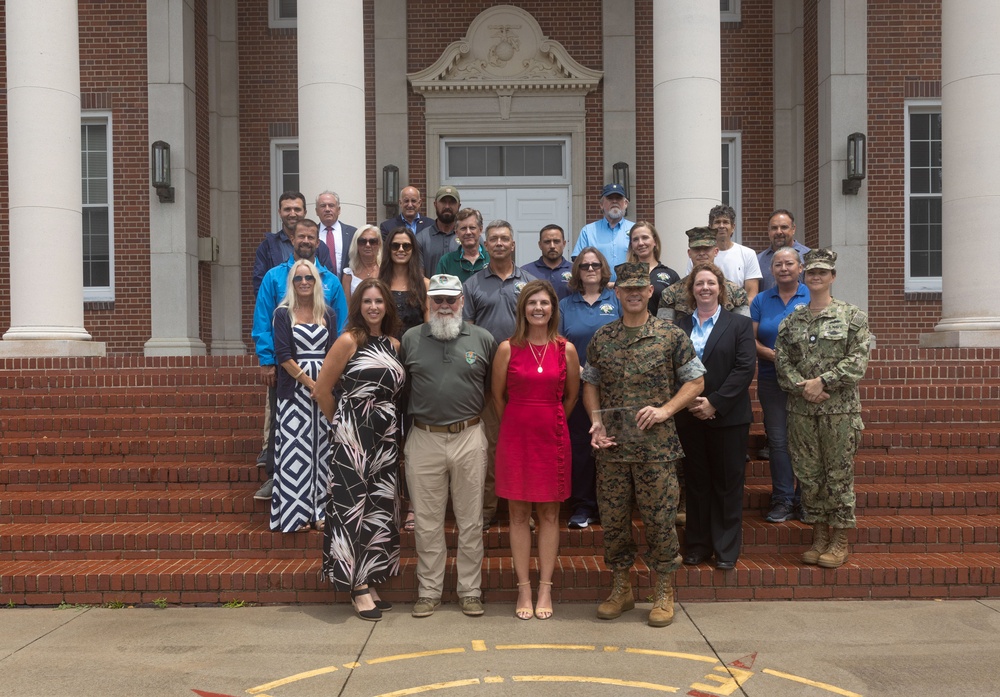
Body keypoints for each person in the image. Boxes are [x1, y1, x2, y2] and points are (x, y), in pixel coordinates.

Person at [582, 262, 705, 628]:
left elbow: (696, 381)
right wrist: (596, 420)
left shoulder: (670, 335)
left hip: (657, 450)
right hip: (613, 449)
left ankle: (664, 591)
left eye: (640, 288)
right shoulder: (602, 337)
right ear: (616, 293)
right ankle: (622, 588)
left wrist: (667, 409)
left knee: (660, 521)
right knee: (615, 522)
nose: (634, 294)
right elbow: (590, 382)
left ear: (650, 292)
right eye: (626, 289)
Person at [399, 274, 498, 618]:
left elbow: (490, 389)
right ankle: (429, 590)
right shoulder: (410, 339)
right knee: (427, 521)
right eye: (437, 300)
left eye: (449, 300)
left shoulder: (483, 339)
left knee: (471, 520)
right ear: (428, 303)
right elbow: (404, 388)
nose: (443, 306)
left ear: (462, 302)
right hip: (424, 437)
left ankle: (470, 590)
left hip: (469, 436)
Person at [314, 278, 405, 622]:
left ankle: (368, 578)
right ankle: (355, 588)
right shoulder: (349, 340)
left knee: (379, 508)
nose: (373, 307)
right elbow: (323, 391)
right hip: (353, 436)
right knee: (351, 507)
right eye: (366, 301)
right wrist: (342, 425)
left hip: (385, 436)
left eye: (378, 301)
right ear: (358, 306)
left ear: (387, 306)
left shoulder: (395, 344)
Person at [775, 249, 871, 569]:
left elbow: (857, 361)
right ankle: (818, 537)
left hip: (839, 412)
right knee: (810, 477)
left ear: (833, 277)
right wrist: (806, 387)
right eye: (811, 272)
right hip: (802, 411)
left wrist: (824, 382)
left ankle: (839, 540)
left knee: (839, 476)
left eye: (823, 272)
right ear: (804, 276)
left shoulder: (852, 316)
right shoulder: (792, 321)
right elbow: (783, 361)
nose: (816, 277)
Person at [493, 280, 580, 620]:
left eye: (544, 303)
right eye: (532, 303)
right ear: (523, 309)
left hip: (552, 436)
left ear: (553, 308)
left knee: (548, 514)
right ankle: (523, 588)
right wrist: (517, 421)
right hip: (515, 436)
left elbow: (572, 395)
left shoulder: (566, 349)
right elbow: (497, 397)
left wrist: (552, 418)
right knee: (517, 514)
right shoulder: (507, 348)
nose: (538, 308)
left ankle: (545, 587)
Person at [252, 219, 348, 501]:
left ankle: (323, 493)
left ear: (318, 243)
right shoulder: (273, 277)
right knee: (285, 429)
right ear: (292, 239)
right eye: (300, 236)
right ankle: (277, 479)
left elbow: (341, 325)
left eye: (311, 237)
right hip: (286, 369)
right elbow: (263, 320)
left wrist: (335, 370)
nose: (305, 241)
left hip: (326, 371)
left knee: (322, 433)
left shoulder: (330, 280)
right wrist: (267, 359)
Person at [675, 264, 756, 570]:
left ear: (720, 288)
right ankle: (697, 545)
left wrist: (715, 403)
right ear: (691, 289)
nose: (705, 288)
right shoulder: (680, 326)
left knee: (727, 484)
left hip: (728, 418)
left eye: (711, 283)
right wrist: (689, 403)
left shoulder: (738, 325)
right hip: (688, 417)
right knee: (696, 484)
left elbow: (745, 368)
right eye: (699, 283)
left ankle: (725, 549)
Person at [462, 220, 537, 531]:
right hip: (487, 383)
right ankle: (488, 510)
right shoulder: (473, 285)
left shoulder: (529, 283)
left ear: (514, 244)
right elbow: (464, 332)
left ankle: (526, 510)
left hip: (525, 382)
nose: (499, 243)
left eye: (505, 238)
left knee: (524, 447)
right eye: (493, 239)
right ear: (485, 245)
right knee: (490, 448)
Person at [270, 258, 338, 534]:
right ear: (292, 283)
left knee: (323, 451)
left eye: (308, 278)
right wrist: (311, 382)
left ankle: (321, 511)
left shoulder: (328, 314)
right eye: (298, 278)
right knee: (294, 450)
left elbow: (334, 352)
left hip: (324, 388)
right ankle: (295, 514)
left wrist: (325, 386)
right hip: (294, 391)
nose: (304, 282)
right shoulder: (283, 314)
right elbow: (283, 356)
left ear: (316, 281)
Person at [558, 248, 621, 529]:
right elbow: (557, 343)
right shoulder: (565, 305)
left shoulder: (616, 298)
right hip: (580, 385)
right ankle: (582, 506)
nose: (591, 269)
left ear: (603, 268)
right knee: (582, 447)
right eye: (584, 266)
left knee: (613, 446)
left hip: (616, 388)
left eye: (596, 265)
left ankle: (611, 507)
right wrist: (583, 371)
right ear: (577, 272)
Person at [750, 247, 810, 523]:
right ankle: (783, 499)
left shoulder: (811, 296)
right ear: (771, 270)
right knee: (778, 441)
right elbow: (751, 341)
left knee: (805, 440)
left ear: (800, 268)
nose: (784, 268)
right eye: (778, 264)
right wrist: (775, 357)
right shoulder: (761, 300)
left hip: (806, 381)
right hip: (771, 379)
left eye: (789, 264)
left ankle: (805, 499)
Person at [379, 227, 430, 533]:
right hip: (381, 370)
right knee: (385, 440)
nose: (400, 250)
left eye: (406, 246)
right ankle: (387, 503)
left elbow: (427, 330)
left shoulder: (422, 285)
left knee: (411, 443)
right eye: (396, 245)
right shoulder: (379, 284)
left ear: (413, 250)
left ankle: (411, 504)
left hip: (411, 372)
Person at [658, 226, 749, 324]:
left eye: (706, 249)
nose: (701, 253)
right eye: (697, 249)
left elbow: (743, 329)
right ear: (689, 253)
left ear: (716, 251)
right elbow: (664, 332)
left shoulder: (738, 294)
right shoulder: (670, 294)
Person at [251, 191, 333, 295]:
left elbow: (328, 282)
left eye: (297, 209)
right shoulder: (266, 247)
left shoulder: (321, 247)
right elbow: (260, 286)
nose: (292, 214)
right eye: (287, 209)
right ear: (279, 212)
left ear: (305, 212)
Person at [685, 205, 762, 304]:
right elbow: (690, 287)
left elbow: (751, 295)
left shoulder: (748, 254)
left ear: (733, 227)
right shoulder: (700, 256)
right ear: (710, 227)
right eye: (717, 222)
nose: (721, 226)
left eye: (725, 222)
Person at [572, 183, 634, 282]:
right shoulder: (588, 231)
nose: (614, 201)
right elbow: (578, 261)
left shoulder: (635, 229)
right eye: (610, 198)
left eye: (618, 198)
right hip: (598, 290)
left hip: (628, 289)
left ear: (625, 203)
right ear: (601, 204)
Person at [626, 220, 680, 315]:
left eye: (645, 238)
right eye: (635, 239)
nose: (640, 243)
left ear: (655, 241)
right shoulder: (625, 273)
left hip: (662, 328)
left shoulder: (671, 275)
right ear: (631, 245)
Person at [757, 209, 810, 292]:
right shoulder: (758, 260)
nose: (779, 232)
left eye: (784, 227)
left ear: (793, 229)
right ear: (768, 231)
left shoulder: (808, 257)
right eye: (774, 228)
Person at [416, 186, 461, 276]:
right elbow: (419, 277)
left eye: (452, 202)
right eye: (443, 202)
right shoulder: (421, 238)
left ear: (459, 206)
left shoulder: (469, 237)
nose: (447, 206)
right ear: (435, 204)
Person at [435, 208, 488, 281]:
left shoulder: (491, 259)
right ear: (457, 233)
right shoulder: (446, 261)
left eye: (472, 228)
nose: (468, 232)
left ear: (480, 230)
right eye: (463, 228)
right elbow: (439, 290)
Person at [316, 190, 357, 278]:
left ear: (338, 210)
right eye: (323, 206)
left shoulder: (353, 233)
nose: (327, 209)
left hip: (346, 288)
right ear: (316, 211)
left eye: (331, 205)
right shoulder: (310, 235)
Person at [525, 224, 573, 300]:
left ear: (564, 244)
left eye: (556, 241)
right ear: (540, 245)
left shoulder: (575, 270)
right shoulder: (526, 272)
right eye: (547, 242)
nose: (552, 246)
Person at [341, 225, 383, 298]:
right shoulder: (349, 275)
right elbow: (347, 307)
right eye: (362, 241)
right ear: (356, 244)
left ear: (379, 244)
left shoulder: (386, 270)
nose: (368, 245)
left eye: (372, 241)